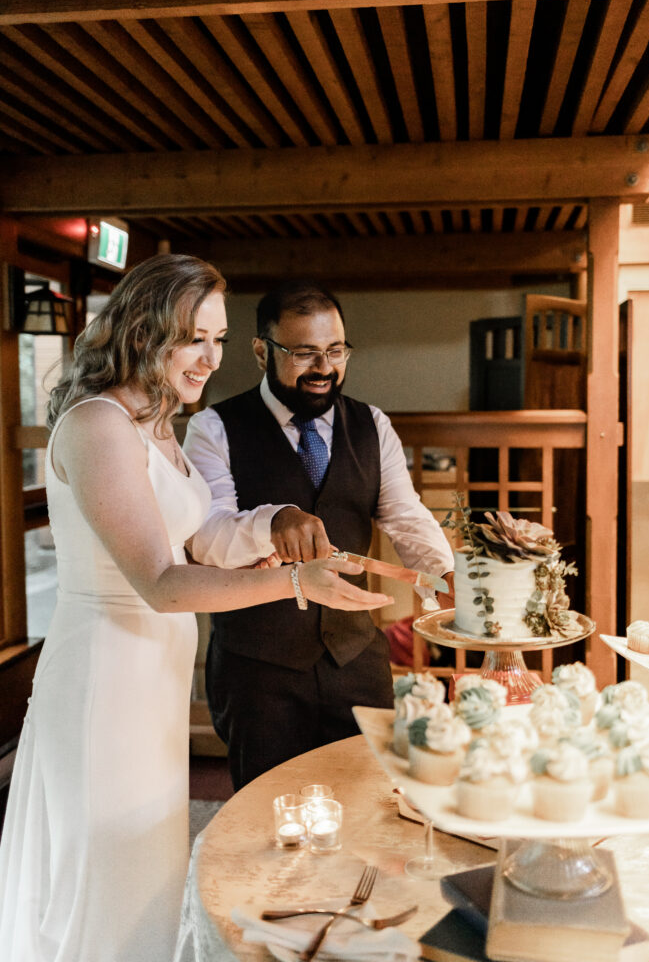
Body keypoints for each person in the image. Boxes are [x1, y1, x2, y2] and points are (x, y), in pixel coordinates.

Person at [0, 256, 392, 962]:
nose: (209, 359)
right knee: (109, 864)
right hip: (106, 678)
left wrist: (278, 533)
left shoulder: (153, 423)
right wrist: (297, 583)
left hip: (152, 677)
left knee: (149, 857)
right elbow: (160, 581)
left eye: (217, 339)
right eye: (192, 338)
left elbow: (204, 537)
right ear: (146, 330)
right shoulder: (99, 425)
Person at [184, 283, 455, 791]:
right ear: (262, 350)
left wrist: (445, 574)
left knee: (370, 811)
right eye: (304, 353)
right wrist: (272, 520)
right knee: (269, 824)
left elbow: (406, 515)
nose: (324, 367)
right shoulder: (213, 428)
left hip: (357, 661)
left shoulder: (372, 425)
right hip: (257, 671)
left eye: (335, 351)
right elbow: (207, 540)